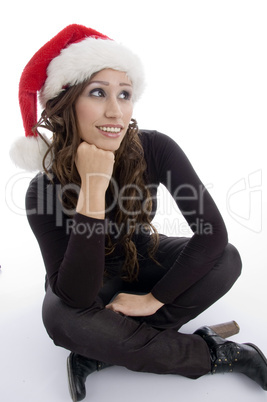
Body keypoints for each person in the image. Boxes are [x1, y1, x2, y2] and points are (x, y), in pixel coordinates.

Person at [10, 24, 267, 401]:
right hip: (88, 282)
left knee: (224, 260)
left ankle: (102, 351)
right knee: (62, 319)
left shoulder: (155, 147)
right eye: (98, 93)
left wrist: (154, 299)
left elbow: (213, 235)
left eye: (125, 94)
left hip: (140, 256)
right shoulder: (41, 191)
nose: (116, 111)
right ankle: (223, 355)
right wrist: (93, 189)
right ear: (64, 106)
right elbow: (77, 295)